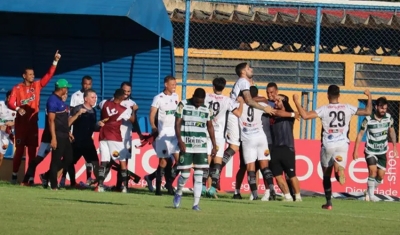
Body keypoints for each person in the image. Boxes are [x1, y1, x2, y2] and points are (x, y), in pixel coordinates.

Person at [293, 85, 372, 209]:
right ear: (339, 95)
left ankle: (329, 203)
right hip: (343, 144)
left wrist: (296, 101)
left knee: (326, 175)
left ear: (327, 95)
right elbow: (367, 111)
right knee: (337, 171)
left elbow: (305, 116)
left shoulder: (324, 109)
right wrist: (369, 96)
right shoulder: (347, 107)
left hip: (328, 144)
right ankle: (339, 169)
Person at [208, 62, 275, 196]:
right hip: (234, 115)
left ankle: (216, 172)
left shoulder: (244, 82)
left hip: (234, 113)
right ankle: (216, 172)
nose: (252, 69)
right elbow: (249, 100)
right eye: (249, 68)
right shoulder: (243, 81)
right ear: (243, 72)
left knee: (236, 148)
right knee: (234, 146)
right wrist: (264, 107)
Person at [8, 50, 61, 184]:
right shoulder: (17, 88)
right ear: (24, 76)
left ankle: (30, 176)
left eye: (33, 74)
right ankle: (14, 174)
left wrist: (55, 61)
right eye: (30, 74)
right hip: (20, 124)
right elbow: (10, 102)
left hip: (33, 124)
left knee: (32, 152)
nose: (33, 76)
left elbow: (49, 75)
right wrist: (18, 108)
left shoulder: (37, 86)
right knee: (19, 151)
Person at [173, 88, 217, 211]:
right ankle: (179, 192)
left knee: (199, 175)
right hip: (186, 144)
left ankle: (195, 204)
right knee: (185, 174)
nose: (198, 104)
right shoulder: (183, 104)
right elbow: (177, 124)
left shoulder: (207, 107)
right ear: (193, 97)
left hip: (201, 145)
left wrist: (214, 144)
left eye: (200, 102)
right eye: (197, 101)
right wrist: (180, 141)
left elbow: (210, 126)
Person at [233, 86, 275, 200]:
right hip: (261, 137)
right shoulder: (261, 105)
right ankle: (271, 188)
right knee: (265, 166)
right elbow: (272, 109)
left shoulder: (238, 104)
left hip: (248, 138)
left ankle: (255, 194)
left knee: (250, 167)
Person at [353, 97, 398, 202]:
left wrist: (394, 146)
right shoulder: (368, 119)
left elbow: (392, 132)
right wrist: (355, 150)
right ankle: (372, 196)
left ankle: (369, 192)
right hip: (371, 150)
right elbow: (360, 135)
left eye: (385, 109)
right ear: (376, 107)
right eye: (382, 108)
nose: (383, 111)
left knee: (380, 176)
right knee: (372, 172)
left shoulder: (389, 118)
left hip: (382, 151)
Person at [203, 76, 240, 197]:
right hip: (218, 134)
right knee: (218, 161)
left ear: (213, 86)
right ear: (224, 87)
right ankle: (213, 188)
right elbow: (238, 113)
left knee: (207, 159)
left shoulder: (206, 96)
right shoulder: (227, 100)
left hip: (206, 131)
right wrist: (242, 103)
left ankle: (202, 186)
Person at [146, 76, 179, 195]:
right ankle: (159, 189)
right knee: (163, 162)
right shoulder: (158, 98)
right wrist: (154, 127)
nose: (174, 86)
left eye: (175, 84)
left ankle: (169, 183)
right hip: (163, 134)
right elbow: (152, 113)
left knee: (180, 161)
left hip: (174, 134)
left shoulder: (176, 96)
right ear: (166, 84)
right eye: (172, 84)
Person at [97, 89, 135, 193]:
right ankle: (125, 187)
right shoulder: (124, 109)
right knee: (122, 160)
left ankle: (100, 186)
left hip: (103, 134)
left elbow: (98, 107)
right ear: (122, 97)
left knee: (104, 161)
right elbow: (132, 120)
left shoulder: (104, 102)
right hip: (114, 136)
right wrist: (133, 110)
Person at [269, 94, 302, 202]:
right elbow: (278, 112)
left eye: (278, 101)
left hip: (287, 148)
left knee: (291, 175)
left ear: (284, 102)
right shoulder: (274, 114)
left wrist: (292, 110)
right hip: (275, 149)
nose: (275, 103)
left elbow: (288, 113)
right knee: (277, 175)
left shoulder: (289, 115)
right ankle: (287, 196)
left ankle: (298, 196)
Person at [65, 89, 100, 188]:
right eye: (92, 97)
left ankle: (99, 184)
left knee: (95, 163)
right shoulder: (77, 109)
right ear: (86, 98)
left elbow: (93, 127)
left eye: (95, 97)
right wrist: (78, 114)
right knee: (68, 162)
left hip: (88, 142)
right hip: (77, 142)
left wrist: (99, 125)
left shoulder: (93, 111)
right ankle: (52, 179)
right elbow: (67, 123)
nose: (95, 99)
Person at [69, 75, 96, 183]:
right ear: (82, 83)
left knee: (89, 159)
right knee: (70, 159)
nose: (87, 86)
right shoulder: (75, 95)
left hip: (87, 131)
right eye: (85, 83)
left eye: (89, 84)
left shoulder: (93, 95)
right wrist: (69, 131)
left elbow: (91, 112)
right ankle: (59, 179)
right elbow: (71, 114)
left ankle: (89, 177)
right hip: (77, 131)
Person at [47, 79, 73, 190]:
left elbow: (63, 120)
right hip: (57, 135)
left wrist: (68, 132)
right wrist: (53, 138)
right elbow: (51, 120)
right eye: (66, 88)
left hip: (64, 134)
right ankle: (53, 186)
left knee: (70, 158)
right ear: (61, 89)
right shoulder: (53, 100)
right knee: (56, 160)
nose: (67, 90)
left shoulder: (60, 100)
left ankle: (47, 175)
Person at [0, 91, 16, 168]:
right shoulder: (1, 105)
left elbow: (23, 121)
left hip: (6, 135)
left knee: (0, 157)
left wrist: (13, 123)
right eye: (9, 97)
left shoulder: (18, 109)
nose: (11, 99)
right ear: (6, 97)